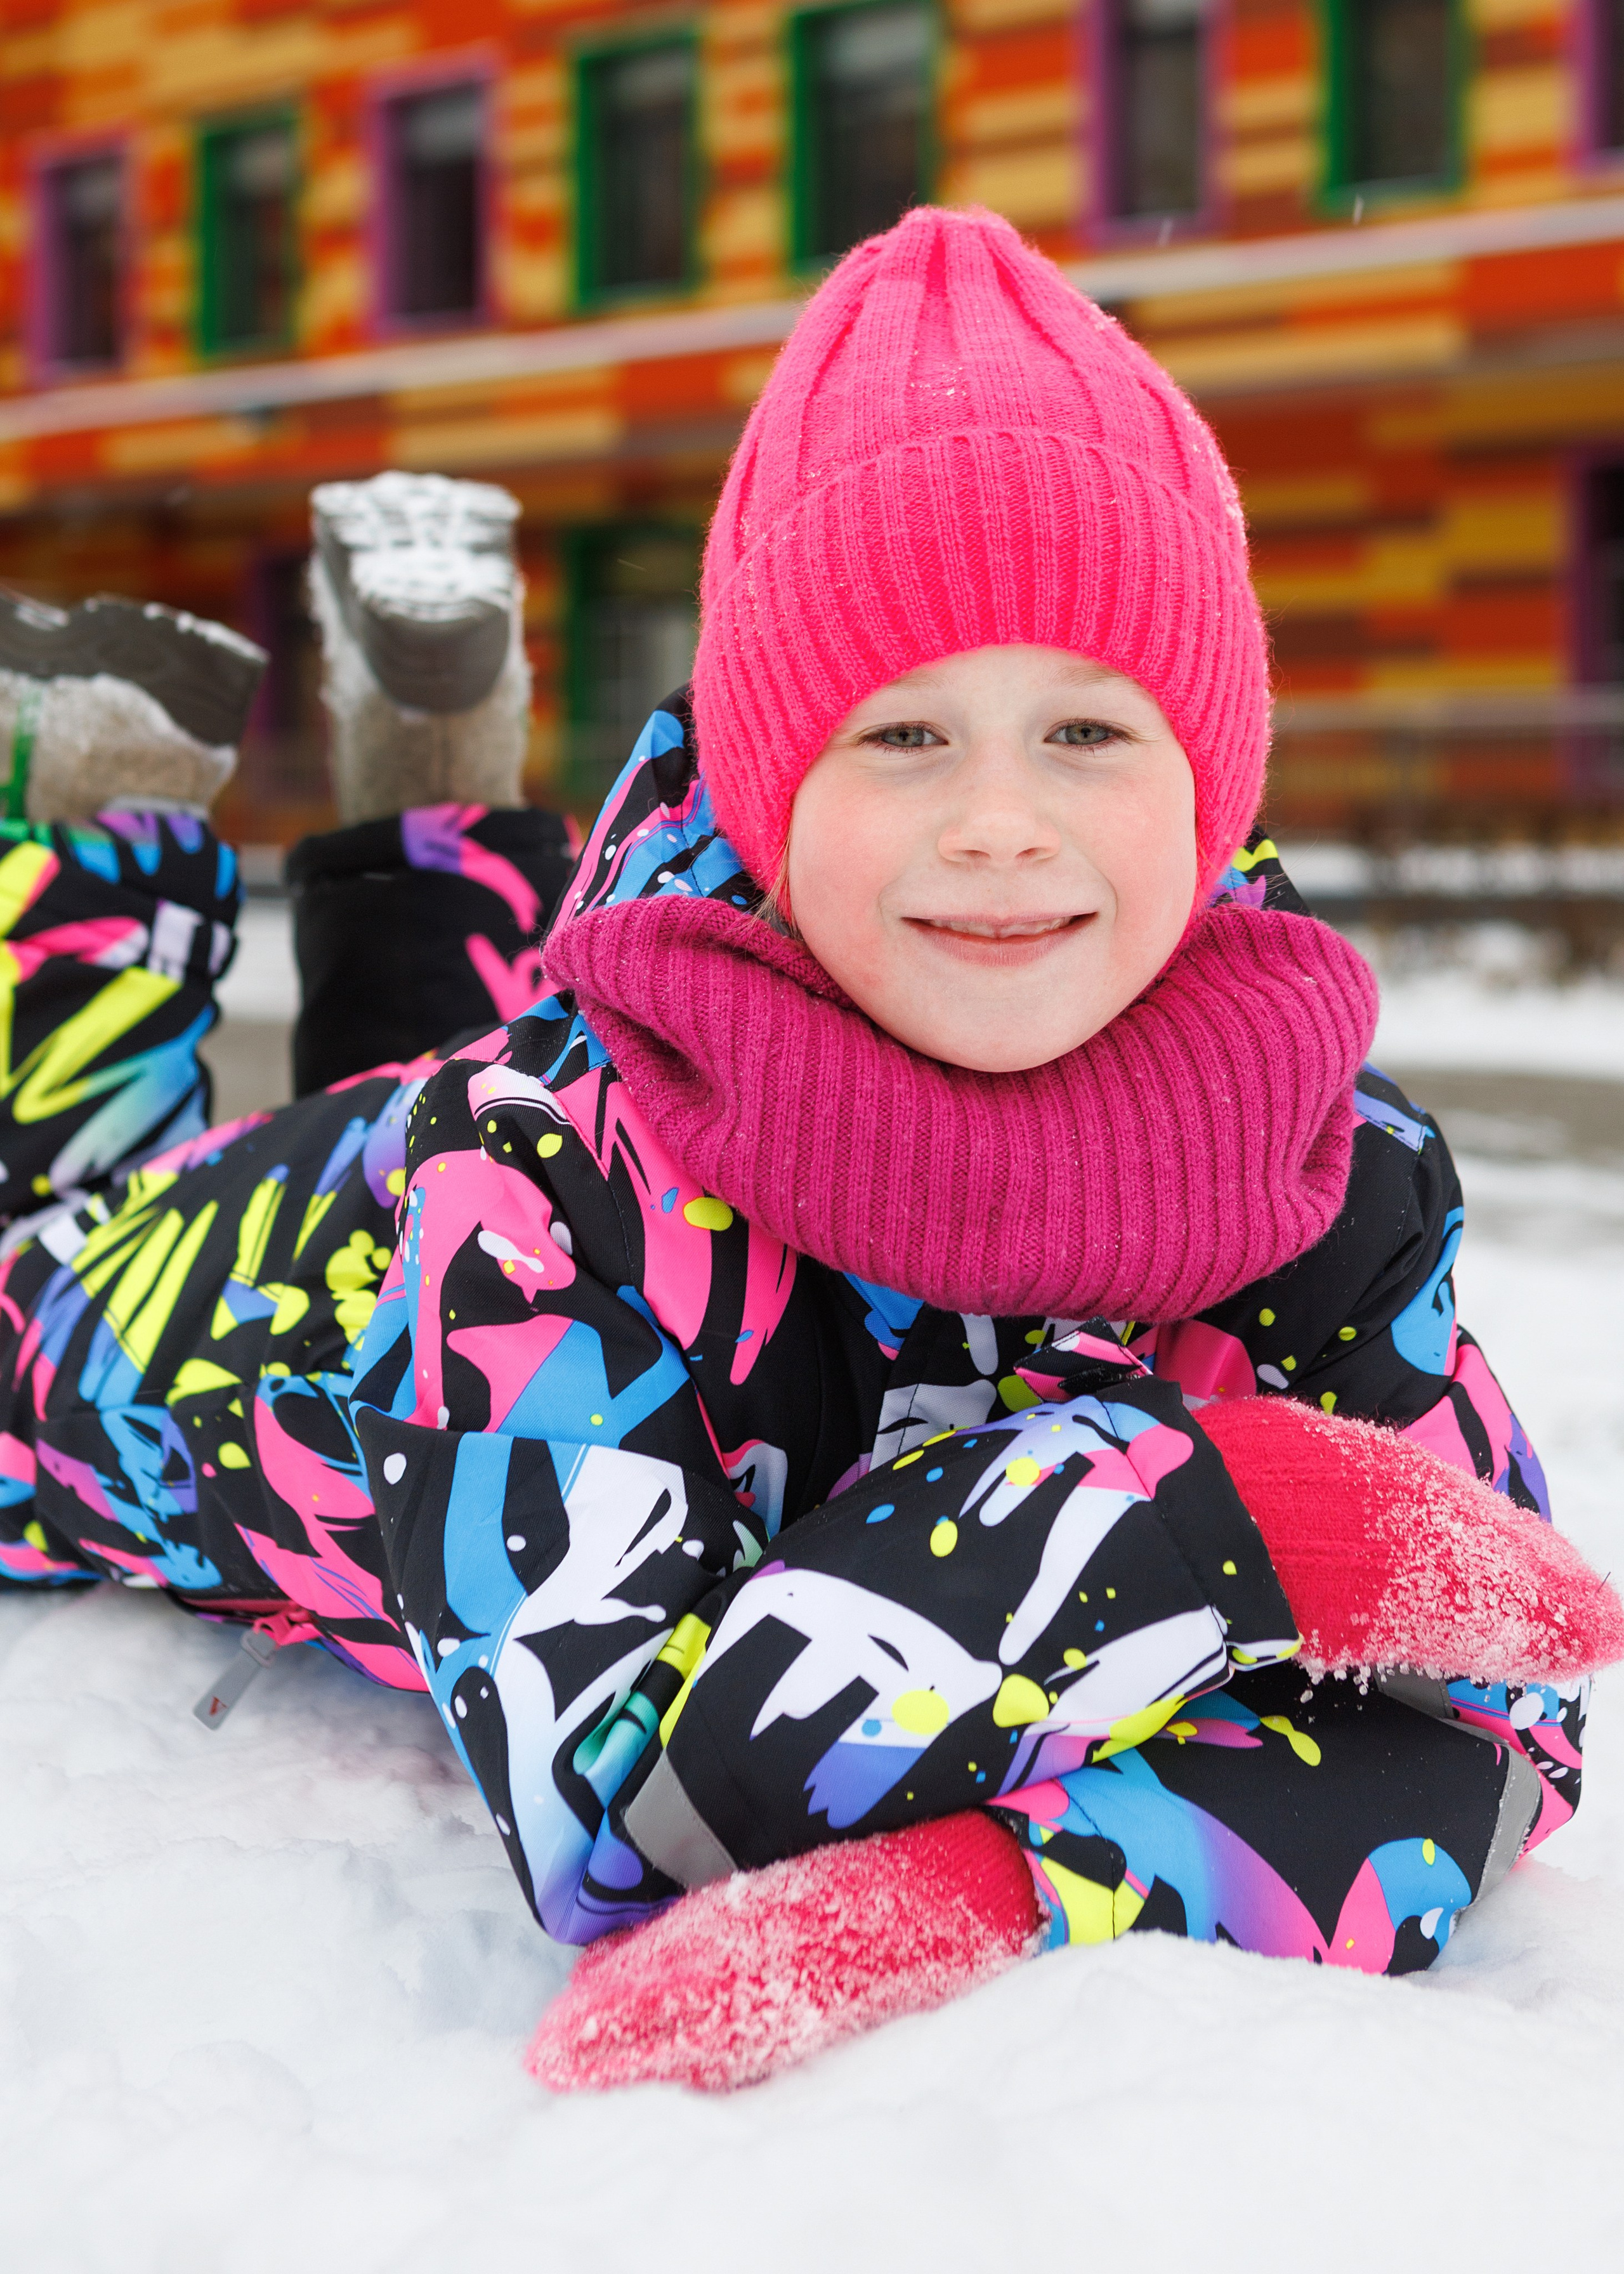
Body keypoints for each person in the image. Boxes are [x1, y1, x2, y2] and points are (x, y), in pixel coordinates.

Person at [0, 214, 1607, 2094]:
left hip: (500, 1135)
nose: (1003, 820)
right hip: (274, 1309)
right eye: (904, 732)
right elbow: (626, 1796)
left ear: (1214, 779)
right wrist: (1192, 1522)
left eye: (1089, 725)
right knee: (43, 1261)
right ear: (767, 810)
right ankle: (110, 820)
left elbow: (1497, 1703)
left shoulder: (1310, 1157)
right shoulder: (532, 1190)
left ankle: (431, 773)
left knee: (465, 1050)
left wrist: (1007, 1884)